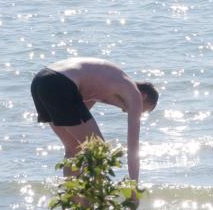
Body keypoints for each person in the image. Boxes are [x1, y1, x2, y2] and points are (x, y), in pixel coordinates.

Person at [30, 58, 158, 184]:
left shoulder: (104, 85)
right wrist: (134, 187)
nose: (132, 112)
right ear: (143, 96)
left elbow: (79, 116)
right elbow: (133, 148)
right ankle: (94, 199)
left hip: (41, 80)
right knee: (99, 150)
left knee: (74, 147)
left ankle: (73, 196)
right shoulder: (134, 94)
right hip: (60, 83)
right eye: (143, 110)